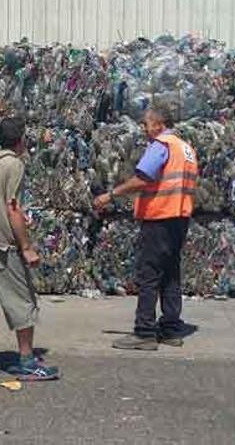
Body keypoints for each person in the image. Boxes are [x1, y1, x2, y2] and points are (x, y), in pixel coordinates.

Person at [93, 107, 199, 351]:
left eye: (146, 124)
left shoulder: (161, 145)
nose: (143, 129)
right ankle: (171, 329)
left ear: (159, 125)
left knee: (149, 274)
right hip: (180, 219)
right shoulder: (186, 149)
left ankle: (145, 332)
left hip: (159, 217)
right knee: (171, 274)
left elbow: (143, 178)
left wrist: (111, 195)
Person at [0, 117, 59, 381]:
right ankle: (28, 361)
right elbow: (12, 207)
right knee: (22, 300)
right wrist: (26, 246)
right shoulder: (14, 164)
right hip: (2, 245)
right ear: (21, 140)